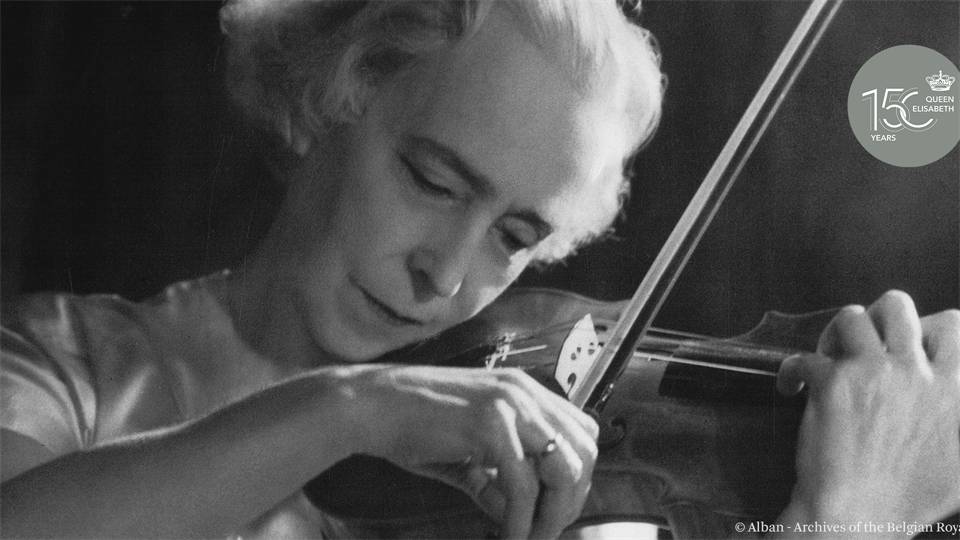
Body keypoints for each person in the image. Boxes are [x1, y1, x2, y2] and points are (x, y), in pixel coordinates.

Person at [1, 0, 957, 538]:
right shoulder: (65, 366)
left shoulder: (540, 496)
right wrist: (352, 406)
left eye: (515, 236)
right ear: (325, 98)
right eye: (432, 181)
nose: (447, 273)